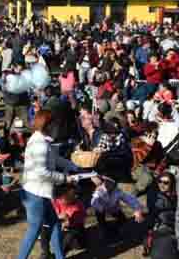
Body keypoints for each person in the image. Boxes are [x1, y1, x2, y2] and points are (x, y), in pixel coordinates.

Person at [18, 109, 78, 259]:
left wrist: (73, 166)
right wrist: (65, 179)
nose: (56, 126)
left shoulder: (43, 140)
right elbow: (42, 172)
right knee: (34, 230)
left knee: (55, 224)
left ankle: (59, 256)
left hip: (40, 193)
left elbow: (55, 159)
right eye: (54, 124)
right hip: (35, 195)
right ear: (47, 124)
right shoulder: (40, 144)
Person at [90, 175, 145, 240]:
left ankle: (116, 231)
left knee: (123, 220)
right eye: (105, 182)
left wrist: (137, 209)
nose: (107, 184)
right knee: (101, 221)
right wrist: (101, 208)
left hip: (114, 208)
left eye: (110, 183)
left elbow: (129, 199)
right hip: (101, 209)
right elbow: (93, 202)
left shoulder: (117, 191)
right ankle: (104, 231)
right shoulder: (99, 191)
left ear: (114, 184)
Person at [39, 184, 87, 259]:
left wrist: (67, 222)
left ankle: (58, 255)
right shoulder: (56, 202)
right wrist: (58, 217)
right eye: (60, 198)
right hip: (59, 228)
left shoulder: (78, 206)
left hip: (74, 233)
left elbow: (77, 223)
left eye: (63, 198)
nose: (60, 200)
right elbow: (47, 217)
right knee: (44, 229)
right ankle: (45, 253)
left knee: (70, 235)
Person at [145, 172, 178, 258]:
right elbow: (152, 216)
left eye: (166, 183)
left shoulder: (176, 197)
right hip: (162, 229)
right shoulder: (156, 197)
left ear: (171, 184)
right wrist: (150, 233)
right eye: (160, 181)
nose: (162, 184)